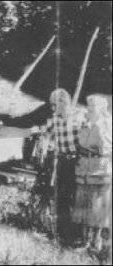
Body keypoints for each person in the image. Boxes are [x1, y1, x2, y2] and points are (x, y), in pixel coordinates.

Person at [36, 88, 86, 245]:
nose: (52, 109)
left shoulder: (80, 117)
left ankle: (77, 237)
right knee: (61, 198)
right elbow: (44, 132)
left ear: (64, 103)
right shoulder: (55, 119)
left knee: (76, 198)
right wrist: (39, 138)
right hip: (63, 162)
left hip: (78, 162)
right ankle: (62, 236)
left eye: (54, 105)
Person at [72, 95, 112, 253]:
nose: (88, 110)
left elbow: (106, 148)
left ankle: (97, 243)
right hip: (84, 169)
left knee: (97, 207)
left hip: (100, 170)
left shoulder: (108, 125)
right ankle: (84, 241)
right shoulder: (86, 124)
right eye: (88, 107)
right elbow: (80, 144)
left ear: (101, 109)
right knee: (82, 204)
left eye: (92, 108)